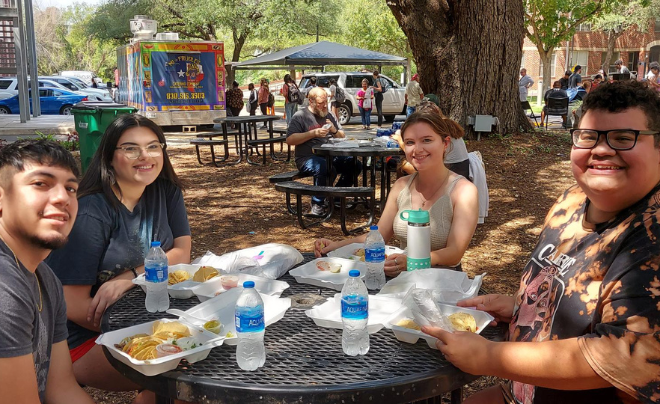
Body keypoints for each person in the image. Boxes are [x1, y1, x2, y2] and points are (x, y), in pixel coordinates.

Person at [423, 80, 660, 404]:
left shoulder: (651, 234)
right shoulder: (572, 201)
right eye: (588, 137)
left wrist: (493, 357)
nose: (602, 149)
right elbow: (574, 290)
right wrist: (526, 309)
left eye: (623, 138)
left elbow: (625, 355)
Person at [46, 115, 192, 403]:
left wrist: (131, 277)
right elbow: (72, 304)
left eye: (153, 146)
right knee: (184, 371)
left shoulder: (167, 192)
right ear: (109, 158)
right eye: (130, 148)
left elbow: (181, 253)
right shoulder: (91, 212)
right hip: (83, 339)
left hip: (145, 318)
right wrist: (141, 334)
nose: (144, 156)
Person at [315, 110, 479, 276]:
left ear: (445, 143)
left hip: (444, 284)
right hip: (401, 282)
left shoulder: (464, 191)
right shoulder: (402, 185)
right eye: (410, 142)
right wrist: (336, 245)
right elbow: (378, 237)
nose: (417, 149)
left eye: (427, 140)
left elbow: (455, 252)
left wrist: (414, 262)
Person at [0, 140, 94, 403]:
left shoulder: (45, 278)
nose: (63, 197)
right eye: (41, 183)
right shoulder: (4, 286)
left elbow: (61, 389)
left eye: (71, 188)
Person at [286, 87, 361, 217]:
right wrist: (313, 133)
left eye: (326, 101)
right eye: (321, 103)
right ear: (311, 101)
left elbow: (342, 135)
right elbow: (290, 139)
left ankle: (336, 197)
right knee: (324, 167)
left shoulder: (329, 114)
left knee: (355, 164)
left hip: (331, 155)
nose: (325, 105)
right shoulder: (300, 116)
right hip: (307, 157)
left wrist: (334, 131)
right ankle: (317, 204)